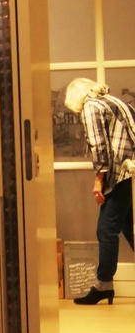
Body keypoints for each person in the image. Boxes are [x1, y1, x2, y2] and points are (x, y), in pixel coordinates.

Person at [64, 77, 135, 305]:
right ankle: (104, 285)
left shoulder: (91, 107)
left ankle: (103, 285)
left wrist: (98, 182)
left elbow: (100, 147)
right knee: (129, 227)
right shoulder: (114, 101)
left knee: (106, 230)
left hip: (120, 174)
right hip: (129, 171)